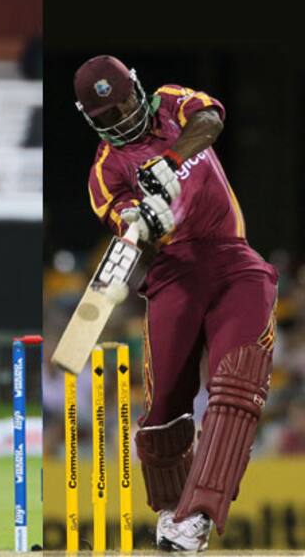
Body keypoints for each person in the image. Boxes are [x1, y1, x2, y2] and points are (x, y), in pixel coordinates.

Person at [74, 55, 277, 551]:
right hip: (173, 274)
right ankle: (170, 510)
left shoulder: (170, 103)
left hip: (235, 261)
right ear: (91, 119)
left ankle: (199, 514)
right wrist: (145, 218)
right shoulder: (105, 171)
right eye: (107, 115)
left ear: (136, 90)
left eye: (124, 102)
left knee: (237, 385)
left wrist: (166, 165)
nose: (121, 116)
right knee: (165, 405)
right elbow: (126, 228)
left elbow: (211, 120)